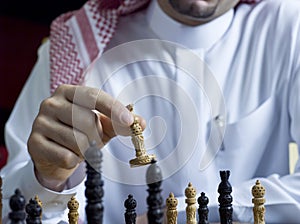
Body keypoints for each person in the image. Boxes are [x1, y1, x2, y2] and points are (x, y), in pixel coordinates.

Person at [2, 0, 300, 223]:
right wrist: (48, 180)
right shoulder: (74, 46)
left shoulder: (288, 27)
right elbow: (10, 207)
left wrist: (181, 213)